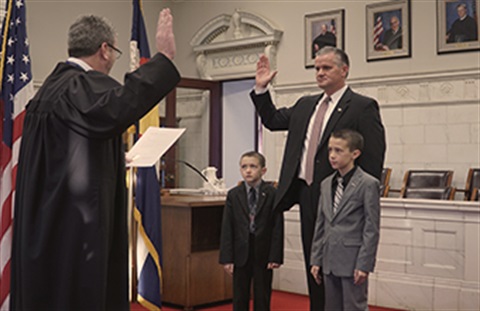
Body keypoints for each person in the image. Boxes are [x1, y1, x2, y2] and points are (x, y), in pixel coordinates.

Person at [10, 9, 180, 310]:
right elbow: (119, 105)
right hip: (74, 232)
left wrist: (112, 157)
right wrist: (163, 60)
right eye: (114, 51)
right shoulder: (79, 87)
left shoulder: (49, 89)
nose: (113, 60)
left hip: (46, 222)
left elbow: (70, 148)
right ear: (104, 49)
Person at [249, 46, 385, 310]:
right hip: (305, 192)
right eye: (317, 68)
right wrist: (261, 90)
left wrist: (358, 195)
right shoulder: (306, 104)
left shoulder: (361, 106)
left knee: (338, 265)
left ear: (344, 70)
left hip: (340, 197)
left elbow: (373, 157)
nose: (320, 73)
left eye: (327, 68)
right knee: (315, 263)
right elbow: (273, 119)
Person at [310, 129, 380, 311]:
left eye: (338, 151)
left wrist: (364, 264)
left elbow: (371, 228)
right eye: (330, 150)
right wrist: (316, 259)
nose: (332, 155)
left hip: (353, 260)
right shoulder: (326, 184)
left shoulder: (368, 183)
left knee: (354, 307)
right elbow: (321, 224)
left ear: (355, 154)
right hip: (329, 259)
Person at [219, 151, 284, 311]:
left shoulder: (272, 193)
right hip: (240, 252)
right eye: (244, 167)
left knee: (262, 294)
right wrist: (227, 258)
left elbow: (277, 226)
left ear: (263, 170)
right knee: (240, 294)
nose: (248, 170)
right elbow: (227, 227)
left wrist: (275, 255)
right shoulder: (234, 195)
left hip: (263, 251)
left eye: (253, 166)